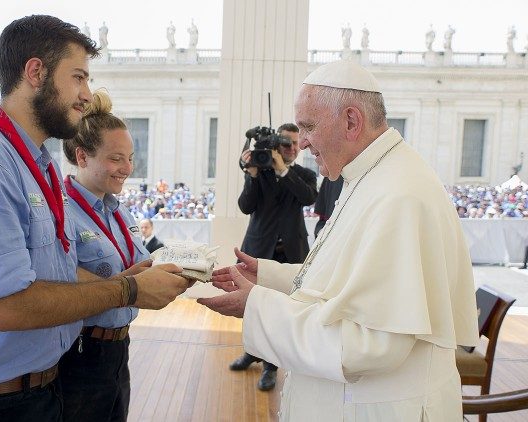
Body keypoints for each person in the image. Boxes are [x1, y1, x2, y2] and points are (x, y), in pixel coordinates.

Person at [0, 15, 189, 422]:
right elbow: (9, 307)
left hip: (39, 393)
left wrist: (128, 282)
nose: (86, 94)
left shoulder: (33, 165)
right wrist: (127, 291)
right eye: (78, 77)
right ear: (36, 72)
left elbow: (53, 271)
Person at [199, 60, 478, 421]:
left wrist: (257, 305)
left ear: (351, 120)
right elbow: (346, 278)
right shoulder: (370, 176)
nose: (303, 142)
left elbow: (373, 344)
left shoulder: (398, 195)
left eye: (309, 127)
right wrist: (268, 276)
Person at [57, 89, 155, 421]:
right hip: (80, 354)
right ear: (82, 156)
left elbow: (133, 266)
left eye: (130, 157)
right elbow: (60, 278)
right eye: (116, 158)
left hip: (118, 349)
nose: (127, 168)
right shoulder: (62, 213)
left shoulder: (119, 211)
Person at [231, 122, 317, 391]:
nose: (291, 148)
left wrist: (282, 170)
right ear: (276, 145)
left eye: (294, 143)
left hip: (291, 253)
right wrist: (254, 175)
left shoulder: (303, 175)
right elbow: (246, 206)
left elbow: (308, 197)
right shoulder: (261, 171)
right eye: (285, 143)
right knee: (252, 305)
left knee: (281, 310)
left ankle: (271, 365)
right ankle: (253, 352)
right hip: (258, 250)